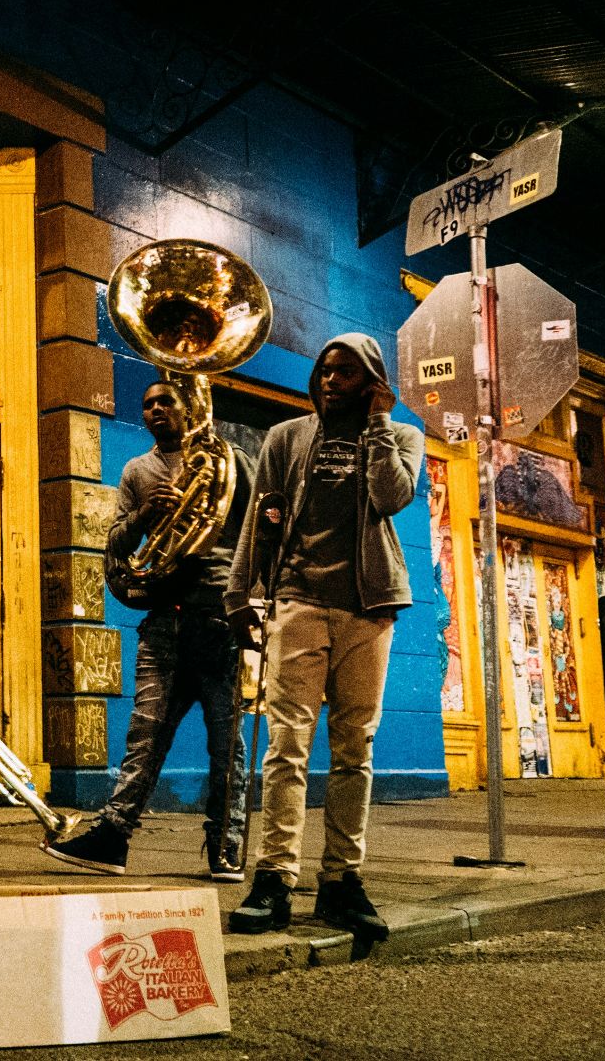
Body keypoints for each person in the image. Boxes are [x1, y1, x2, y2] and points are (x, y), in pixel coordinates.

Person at [222, 333, 423, 941]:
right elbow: (264, 515)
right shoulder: (287, 438)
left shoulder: (402, 436)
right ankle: (274, 878)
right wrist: (240, 592)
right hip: (300, 601)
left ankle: (341, 880)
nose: (331, 381)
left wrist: (381, 423)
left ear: (372, 381)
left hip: (370, 607)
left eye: (346, 373)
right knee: (286, 744)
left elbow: (393, 497)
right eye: (325, 372)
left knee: (353, 749)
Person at [42, 380, 251, 881]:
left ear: (188, 407)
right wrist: (143, 515)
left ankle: (227, 845)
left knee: (228, 742)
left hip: (219, 620)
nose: (156, 410)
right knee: (145, 734)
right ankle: (113, 838)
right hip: (163, 621)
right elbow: (114, 544)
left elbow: (256, 533)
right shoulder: (137, 470)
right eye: (148, 404)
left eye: (166, 402)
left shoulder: (233, 461)